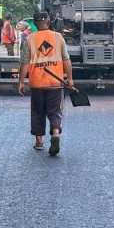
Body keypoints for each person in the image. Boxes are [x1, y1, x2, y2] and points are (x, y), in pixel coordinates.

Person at [18, 12, 73, 156]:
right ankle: (55, 133)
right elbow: (66, 60)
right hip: (55, 83)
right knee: (54, 111)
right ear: (48, 21)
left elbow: (24, 63)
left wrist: (21, 82)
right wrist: (70, 79)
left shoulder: (29, 39)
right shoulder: (58, 37)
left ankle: (39, 142)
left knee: (37, 112)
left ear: (34, 23)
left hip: (37, 83)